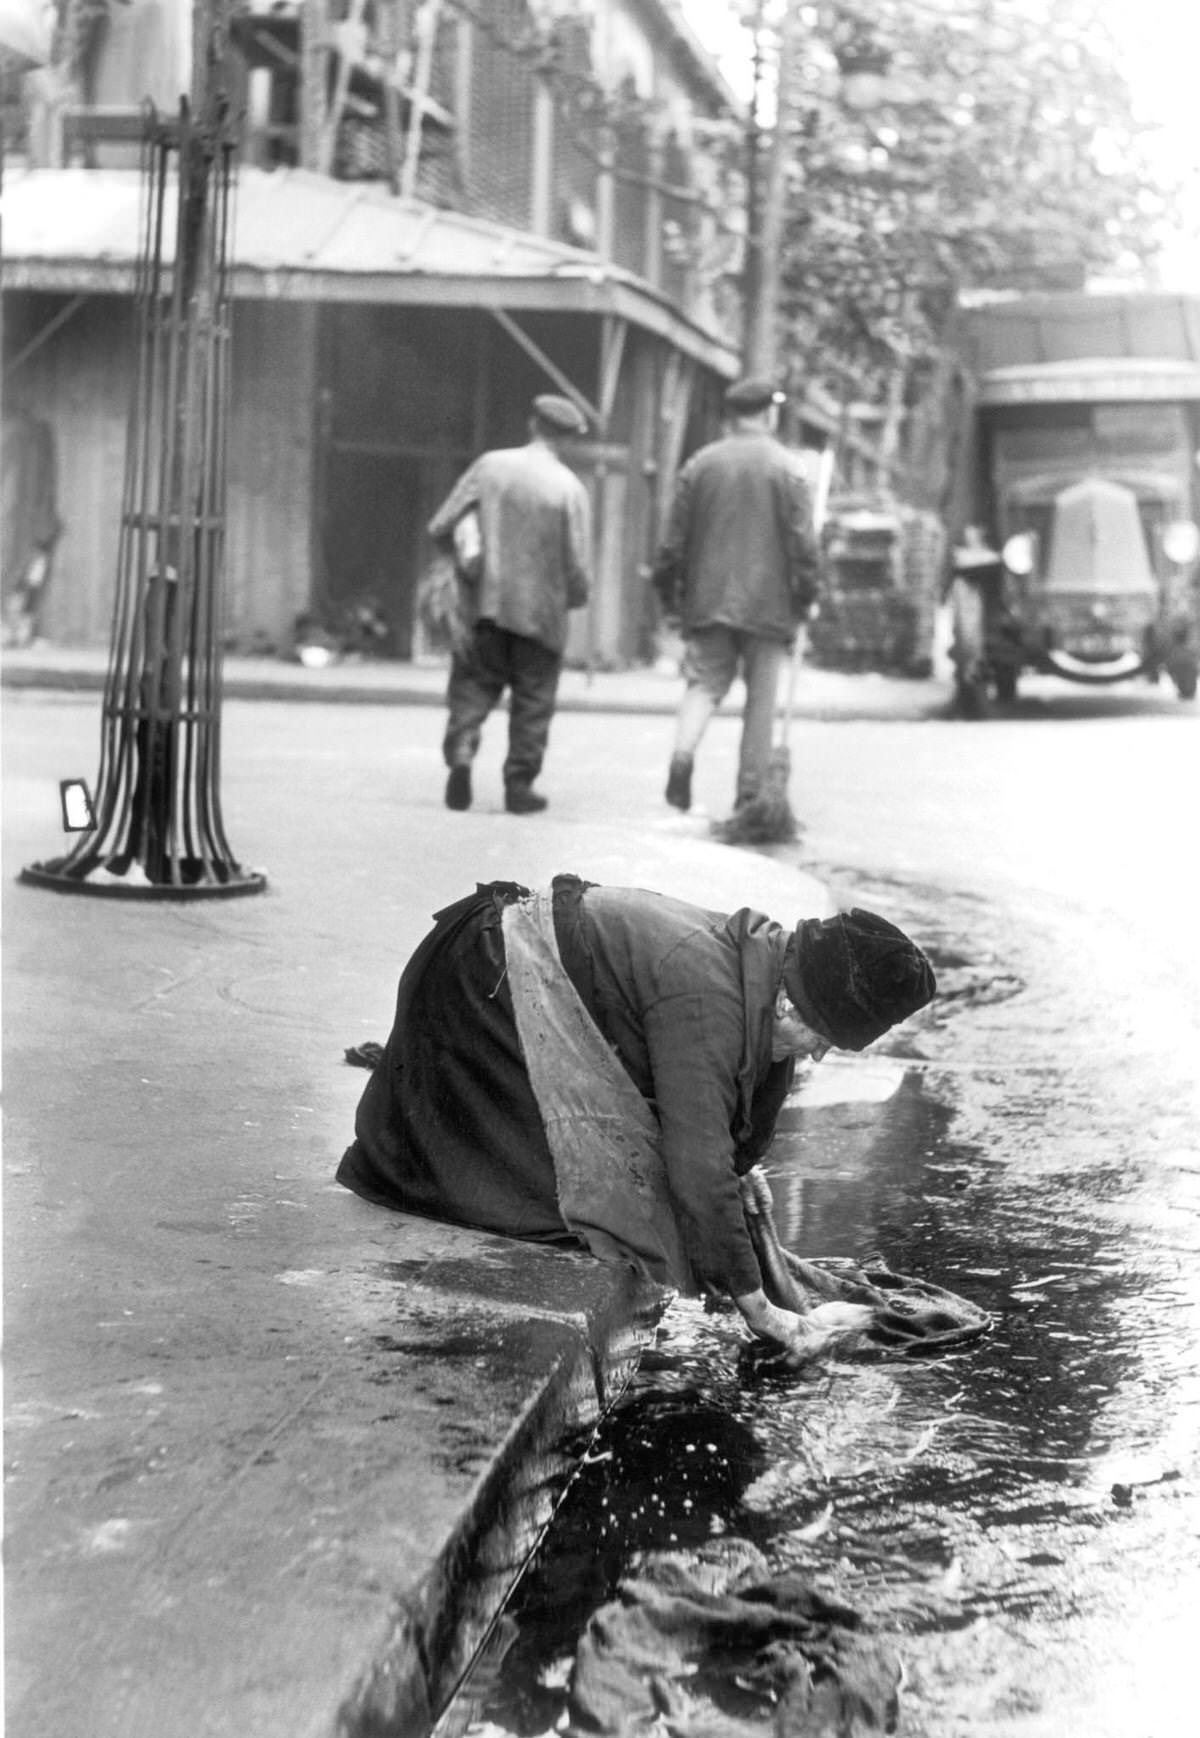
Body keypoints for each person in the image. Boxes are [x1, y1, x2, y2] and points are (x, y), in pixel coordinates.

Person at [337, 876, 936, 1361]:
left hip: (530, 988)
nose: (818, 1054)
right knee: (600, 1212)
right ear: (788, 1000)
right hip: (484, 991)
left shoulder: (761, 966)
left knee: (670, 1199)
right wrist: (766, 1312)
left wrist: (734, 1181)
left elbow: (721, 1130)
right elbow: (699, 1165)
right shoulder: (707, 994)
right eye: (820, 1036)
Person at [650, 377, 820, 815]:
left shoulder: (700, 464)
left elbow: (674, 541)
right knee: (761, 700)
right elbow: (802, 543)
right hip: (770, 603)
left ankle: (682, 754)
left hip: (708, 599)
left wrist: (669, 591)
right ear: (769, 413)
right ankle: (749, 795)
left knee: (704, 684)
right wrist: (808, 594)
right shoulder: (789, 467)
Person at [427, 393, 593, 815]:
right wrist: (572, 598)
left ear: (532, 424)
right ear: (569, 439)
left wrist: (465, 556)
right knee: (533, 702)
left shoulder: (490, 466)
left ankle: (463, 747)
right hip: (542, 615)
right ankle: (520, 786)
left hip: (486, 604)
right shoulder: (569, 489)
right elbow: (577, 568)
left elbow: (441, 524)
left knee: (473, 685)